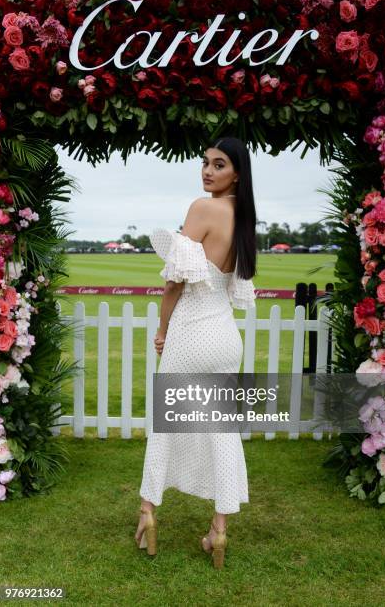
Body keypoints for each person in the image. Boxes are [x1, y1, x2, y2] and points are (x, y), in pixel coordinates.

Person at [135, 136, 257, 569]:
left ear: (236, 173)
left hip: (190, 331)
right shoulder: (244, 217)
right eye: (205, 163)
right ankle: (218, 530)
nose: (207, 171)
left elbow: (175, 283)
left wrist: (163, 328)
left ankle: (149, 511)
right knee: (222, 432)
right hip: (225, 338)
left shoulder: (202, 208)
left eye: (219, 165)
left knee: (165, 424)